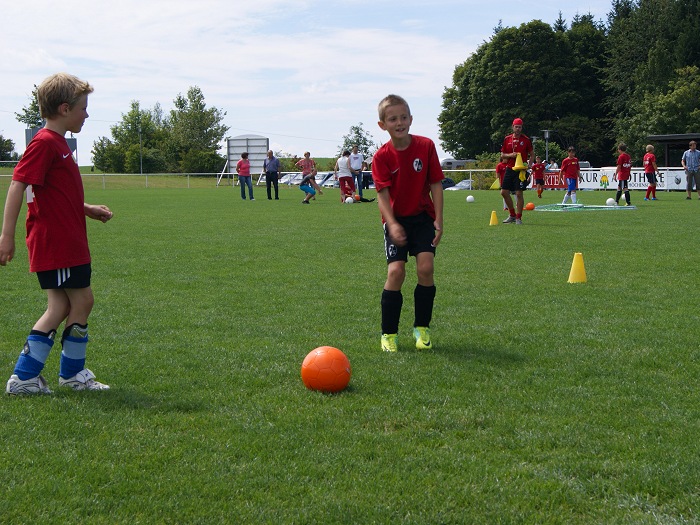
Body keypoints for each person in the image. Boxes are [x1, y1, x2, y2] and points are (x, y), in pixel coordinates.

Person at [0, 73, 113, 395]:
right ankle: (62, 375)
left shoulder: (58, 143)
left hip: (66, 239)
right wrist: (6, 237)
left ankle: (30, 378)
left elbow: (53, 193)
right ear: (65, 109)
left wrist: (85, 208)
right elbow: (18, 185)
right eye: (83, 108)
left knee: (63, 306)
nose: (87, 114)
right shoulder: (45, 142)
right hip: (57, 243)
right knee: (79, 301)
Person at [372, 94, 444, 353]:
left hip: (422, 218)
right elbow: (382, 196)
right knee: (396, 272)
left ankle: (422, 328)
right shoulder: (381, 157)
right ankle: (388, 334)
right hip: (396, 220)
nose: (399, 122)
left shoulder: (425, 146)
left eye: (403, 117)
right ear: (383, 125)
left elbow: (435, 183)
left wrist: (439, 218)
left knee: (426, 268)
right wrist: (392, 224)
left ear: (411, 119)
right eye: (393, 119)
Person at [500, 117, 534, 224]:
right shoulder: (507, 139)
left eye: (520, 127)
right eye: (516, 127)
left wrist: (529, 165)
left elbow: (532, 154)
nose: (518, 129)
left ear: (522, 128)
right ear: (513, 127)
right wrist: (511, 155)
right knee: (504, 192)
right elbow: (502, 155)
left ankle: (518, 217)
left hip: (521, 170)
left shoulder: (526, 140)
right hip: (510, 169)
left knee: (519, 193)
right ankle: (512, 215)